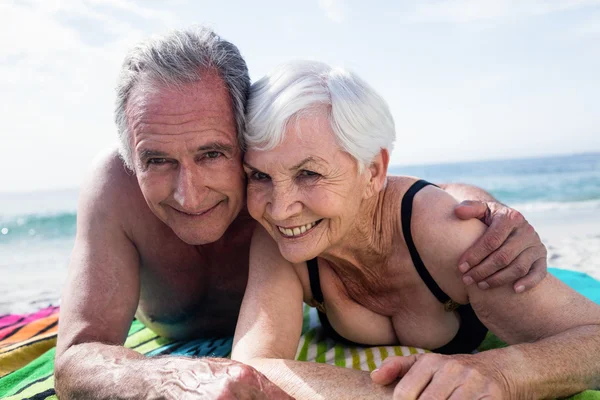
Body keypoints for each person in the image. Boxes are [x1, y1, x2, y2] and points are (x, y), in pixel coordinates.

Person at [54, 27, 548, 399]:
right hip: (183, 342)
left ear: (245, 134)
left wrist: (485, 209)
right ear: (130, 156)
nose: (189, 194)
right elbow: (75, 358)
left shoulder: (275, 192)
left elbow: (368, 181)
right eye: (157, 161)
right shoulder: (116, 189)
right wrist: (174, 378)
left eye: (212, 154)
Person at [231, 60, 600, 399]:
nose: (279, 208)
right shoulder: (277, 235)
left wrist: (499, 373)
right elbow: (248, 370)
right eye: (260, 175)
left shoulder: (448, 236)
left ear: (373, 170)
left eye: (308, 173)